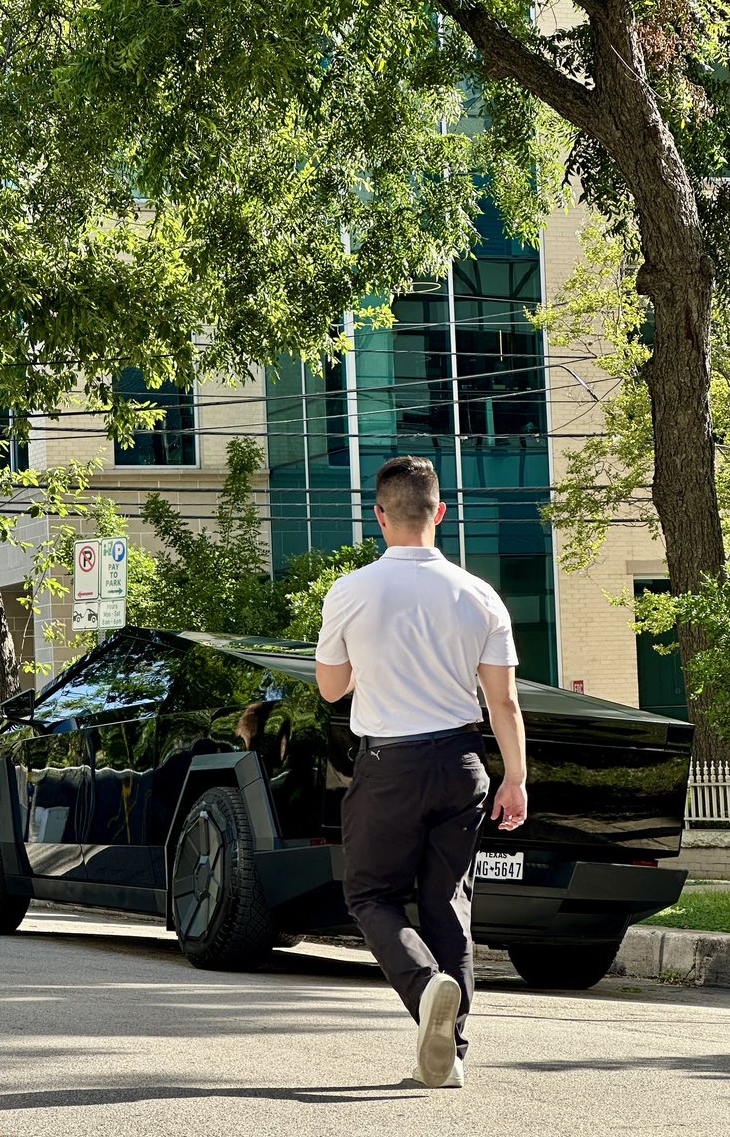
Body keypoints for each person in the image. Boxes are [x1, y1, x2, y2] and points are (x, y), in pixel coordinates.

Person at [315, 455, 527, 1090]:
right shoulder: (480, 595)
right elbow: (505, 702)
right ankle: (452, 1052)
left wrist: (365, 661)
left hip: (389, 764)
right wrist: (515, 777)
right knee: (446, 900)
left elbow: (330, 690)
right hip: (462, 765)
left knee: (371, 894)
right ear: (440, 512)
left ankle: (423, 985)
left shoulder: (351, 592)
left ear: (379, 516)